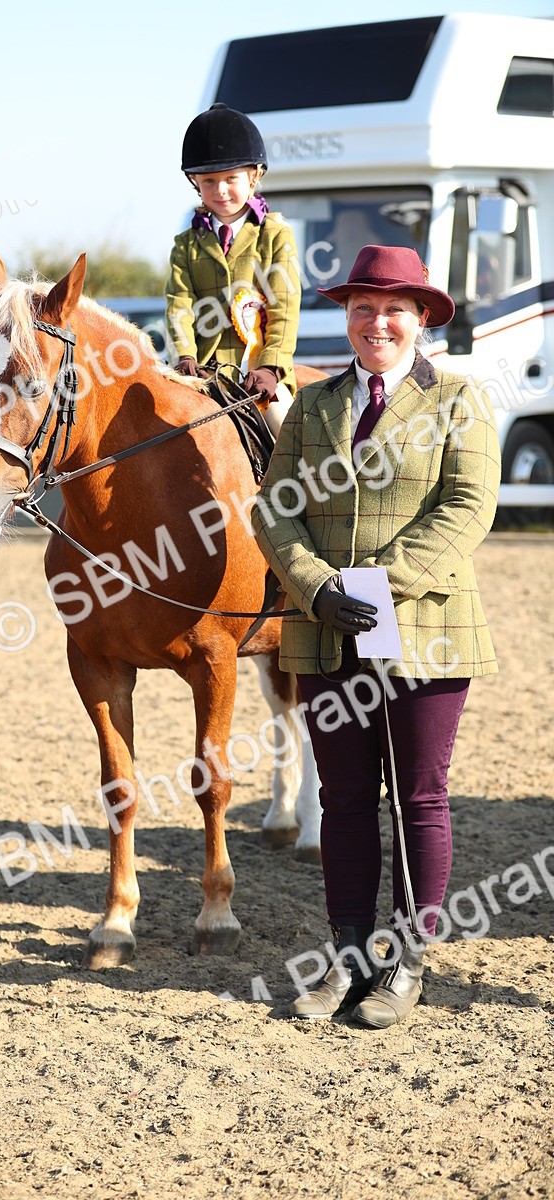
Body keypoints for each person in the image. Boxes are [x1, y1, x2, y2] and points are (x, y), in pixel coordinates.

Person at [251, 245, 501, 1028]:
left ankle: (409, 961)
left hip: (426, 627)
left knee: (420, 799)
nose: (378, 321)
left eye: (394, 308)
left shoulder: (460, 400)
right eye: (363, 308)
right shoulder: (316, 405)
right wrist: (315, 584)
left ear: (421, 318)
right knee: (347, 799)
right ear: (348, 319)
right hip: (328, 629)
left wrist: (376, 580)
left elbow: (467, 507)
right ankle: (348, 958)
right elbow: (272, 508)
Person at [166, 102, 301, 437]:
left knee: (287, 433)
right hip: (203, 372)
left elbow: (284, 307)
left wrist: (271, 365)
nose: (221, 190)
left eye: (231, 178)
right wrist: (184, 355)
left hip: (258, 372)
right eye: (209, 181)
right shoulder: (186, 244)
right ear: (195, 181)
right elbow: (178, 304)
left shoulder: (275, 235)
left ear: (253, 176)